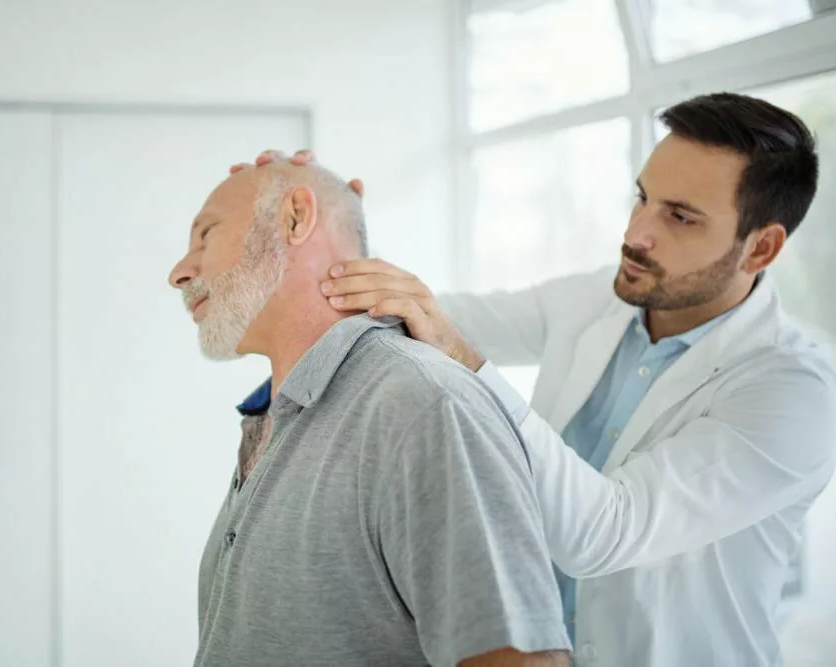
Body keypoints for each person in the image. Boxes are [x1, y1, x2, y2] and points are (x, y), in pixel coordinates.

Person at [233, 92, 836, 666]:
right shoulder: (598, 300)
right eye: (642, 197)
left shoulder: (793, 392)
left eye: (681, 217)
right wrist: (326, 215)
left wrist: (467, 362)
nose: (637, 233)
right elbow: (421, 309)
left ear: (761, 248)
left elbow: (604, 532)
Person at [167, 161, 574, 666]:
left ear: (296, 218)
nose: (179, 272)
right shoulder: (278, 414)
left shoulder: (422, 406)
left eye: (205, 235)